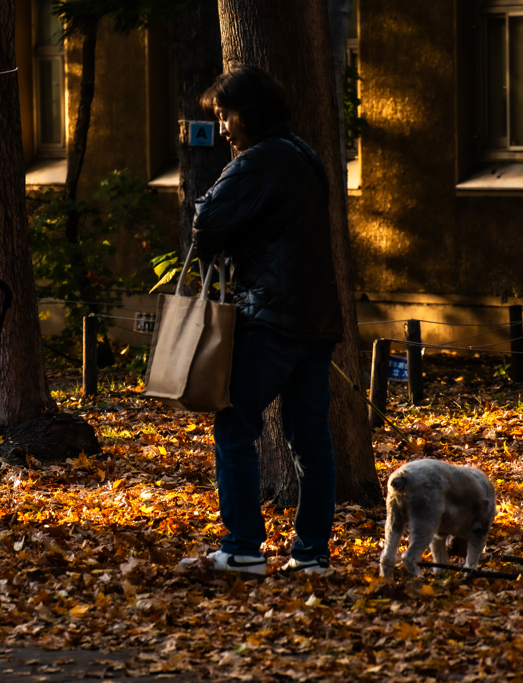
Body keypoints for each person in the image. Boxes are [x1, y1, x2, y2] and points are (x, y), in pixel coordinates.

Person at [180, 65, 344, 576]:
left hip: (270, 316)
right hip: (316, 320)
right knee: (310, 440)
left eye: (226, 116)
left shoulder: (256, 161)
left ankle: (243, 548)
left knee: (234, 426)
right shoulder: (303, 154)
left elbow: (207, 222)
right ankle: (312, 553)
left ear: (247, 114)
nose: (223, 127)